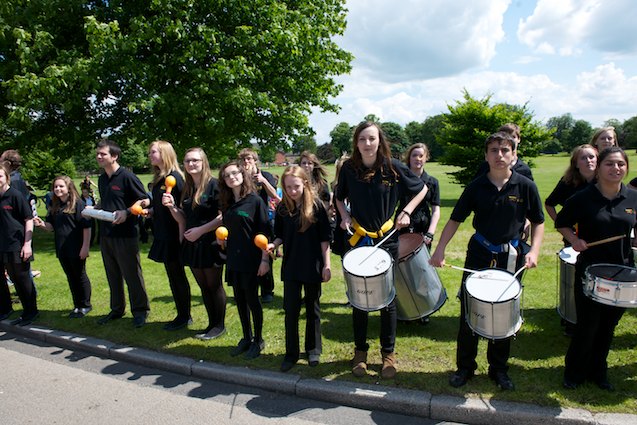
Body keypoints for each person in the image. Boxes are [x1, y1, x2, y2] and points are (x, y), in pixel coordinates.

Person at [430, 131, 544, 391]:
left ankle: (499, 369)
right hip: (479, 254)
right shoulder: (476, 186)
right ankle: (465, 368)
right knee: (470, 311)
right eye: (494, 150)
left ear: (514, 155)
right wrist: (440, 250)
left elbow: (538, 222)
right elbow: (455, 219)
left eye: (505, 150)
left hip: (511, 257)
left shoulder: (525, 186)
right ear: (486, 155)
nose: (499, 155)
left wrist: (534, 251)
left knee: (503, 312)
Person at [336, 121, 427, 379]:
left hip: (386, 239)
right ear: (356, 142)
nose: (367, 143)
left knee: (387, 299)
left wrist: (407, 211)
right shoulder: (348, 169)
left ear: (379, 141)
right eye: (363, 139)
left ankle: (388, 354)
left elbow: (422, 189)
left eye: (372, 138)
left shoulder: (393, 167)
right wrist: (343, 216)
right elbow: (339, 198)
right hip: (358, 239)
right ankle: (360, 353)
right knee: (360, 298)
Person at [556, 147, 636, 391]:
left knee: (609, 325)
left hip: (622, 271)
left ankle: (599, 372)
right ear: (599, 168)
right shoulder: (583, 197)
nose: (616, 169)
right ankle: (574, 372)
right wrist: (574, 240)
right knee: (588, 324)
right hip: (591, 270)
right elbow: (562, 222)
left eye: (621, 165)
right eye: (610, 164)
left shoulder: (633, 197)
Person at [267, 165, 332, 372]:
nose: (292, 191)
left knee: (312, 309)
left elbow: (324, 239)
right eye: (288, 188)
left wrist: (327, 265)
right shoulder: (283, 209)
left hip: (313, 265)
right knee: (291, 310)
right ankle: (291, 353)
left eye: (295, 186)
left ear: (304, 184)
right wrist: (273, 245)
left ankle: (313, 349)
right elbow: (279, 235)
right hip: (292, 266)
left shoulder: (317, 206)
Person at [163, 147, 227, 339]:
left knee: (214, 285)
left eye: (195, 160)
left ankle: (219, 325)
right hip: (192, 244)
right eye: (188, 161)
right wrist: (172, 207)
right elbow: (183, 218)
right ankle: (210, 325)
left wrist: (201, 230)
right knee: (203, 286)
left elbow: (224, 216)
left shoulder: (215, 185)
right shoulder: (187, 188)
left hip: (210, 243)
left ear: (203, 162)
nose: (191, 164)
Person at [218, 160, 272, 359]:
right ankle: (246, 337)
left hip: (252, 259)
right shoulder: (227, 202)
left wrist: (265, 260)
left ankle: (258, 340)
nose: (231, 177)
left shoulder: (255, 201)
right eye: (227, 175)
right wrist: (221, 239)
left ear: (243, 175)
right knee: (239, 300)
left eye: (235, 173)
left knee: (252, 300)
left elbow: (265, 232)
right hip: (233, 258)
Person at [94, 139, 150, 328]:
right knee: (112, 274)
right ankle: (117, 309)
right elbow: (107, 201)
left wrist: (127, 212)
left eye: (103, 154)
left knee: (132, 274)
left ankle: (140, 311)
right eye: (98, 154)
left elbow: (145, 200)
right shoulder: (102, 179)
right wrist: (94, 209)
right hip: (106, 234)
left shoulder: (127, 176)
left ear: (114, 156)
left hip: (126, 235)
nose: (99, 157)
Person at [145, 141, 193, 331]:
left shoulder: (175, 179)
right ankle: (181, 314)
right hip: (163, 233)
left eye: (153, 152)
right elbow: (162, 206)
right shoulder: (160, 178)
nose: (150, 155)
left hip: (174, 236)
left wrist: (182, 237)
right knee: (173, 277)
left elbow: (183, 210)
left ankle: (184, 316)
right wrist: (151, 211)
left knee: (178, 276)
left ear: (164, 153)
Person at [34, 176, 92, 318]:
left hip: (76, 246)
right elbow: (51, 227)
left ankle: (85, 305)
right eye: (55, 187)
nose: (58, 189)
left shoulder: (78, 204)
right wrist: (42, 224)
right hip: (62, 247)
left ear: (68, 188)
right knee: (70, 276)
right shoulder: (55, 205)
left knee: (79, 275)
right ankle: (77, 305)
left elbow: (87, 227)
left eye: (61, 186)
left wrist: (85, 247)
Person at [238, 148, 280, 303]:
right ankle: (252, 287)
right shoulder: (241, 178)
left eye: (249, 159)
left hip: (264, 220)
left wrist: (263, 181)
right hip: (247, 221)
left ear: (255, 160)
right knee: (249, 255)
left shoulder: (266, 176)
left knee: (265, 254)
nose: (246, 162)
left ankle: (267, 290)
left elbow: (274, 195)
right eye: (243, 160)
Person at [0, 164, 38, 325]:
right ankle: (6, 308)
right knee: (8, 278)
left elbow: (29, 219)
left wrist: (27, 244)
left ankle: (31, 311)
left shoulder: (15, 195)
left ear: (6, 178)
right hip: (2, 245)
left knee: (22, 278)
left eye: (0, 176)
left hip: (17, 244)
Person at [398, 143, 441, 249]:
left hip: (423, 228)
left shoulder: (432, 182)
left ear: (426, 158)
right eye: (414, 155)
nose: (418, 158)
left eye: (421, 156)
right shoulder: (400, 180)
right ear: (409, 158)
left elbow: (436, 210)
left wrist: (430, 233)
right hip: (401, 227)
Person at [545, 145, 598, 222]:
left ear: (597, 160)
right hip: (576, 231)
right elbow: (549, 204)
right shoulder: (567, 182)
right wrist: (560, 224)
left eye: (591, 157)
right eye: (583, 158)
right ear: (576, 164)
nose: (588, 160)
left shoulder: (605, 181)